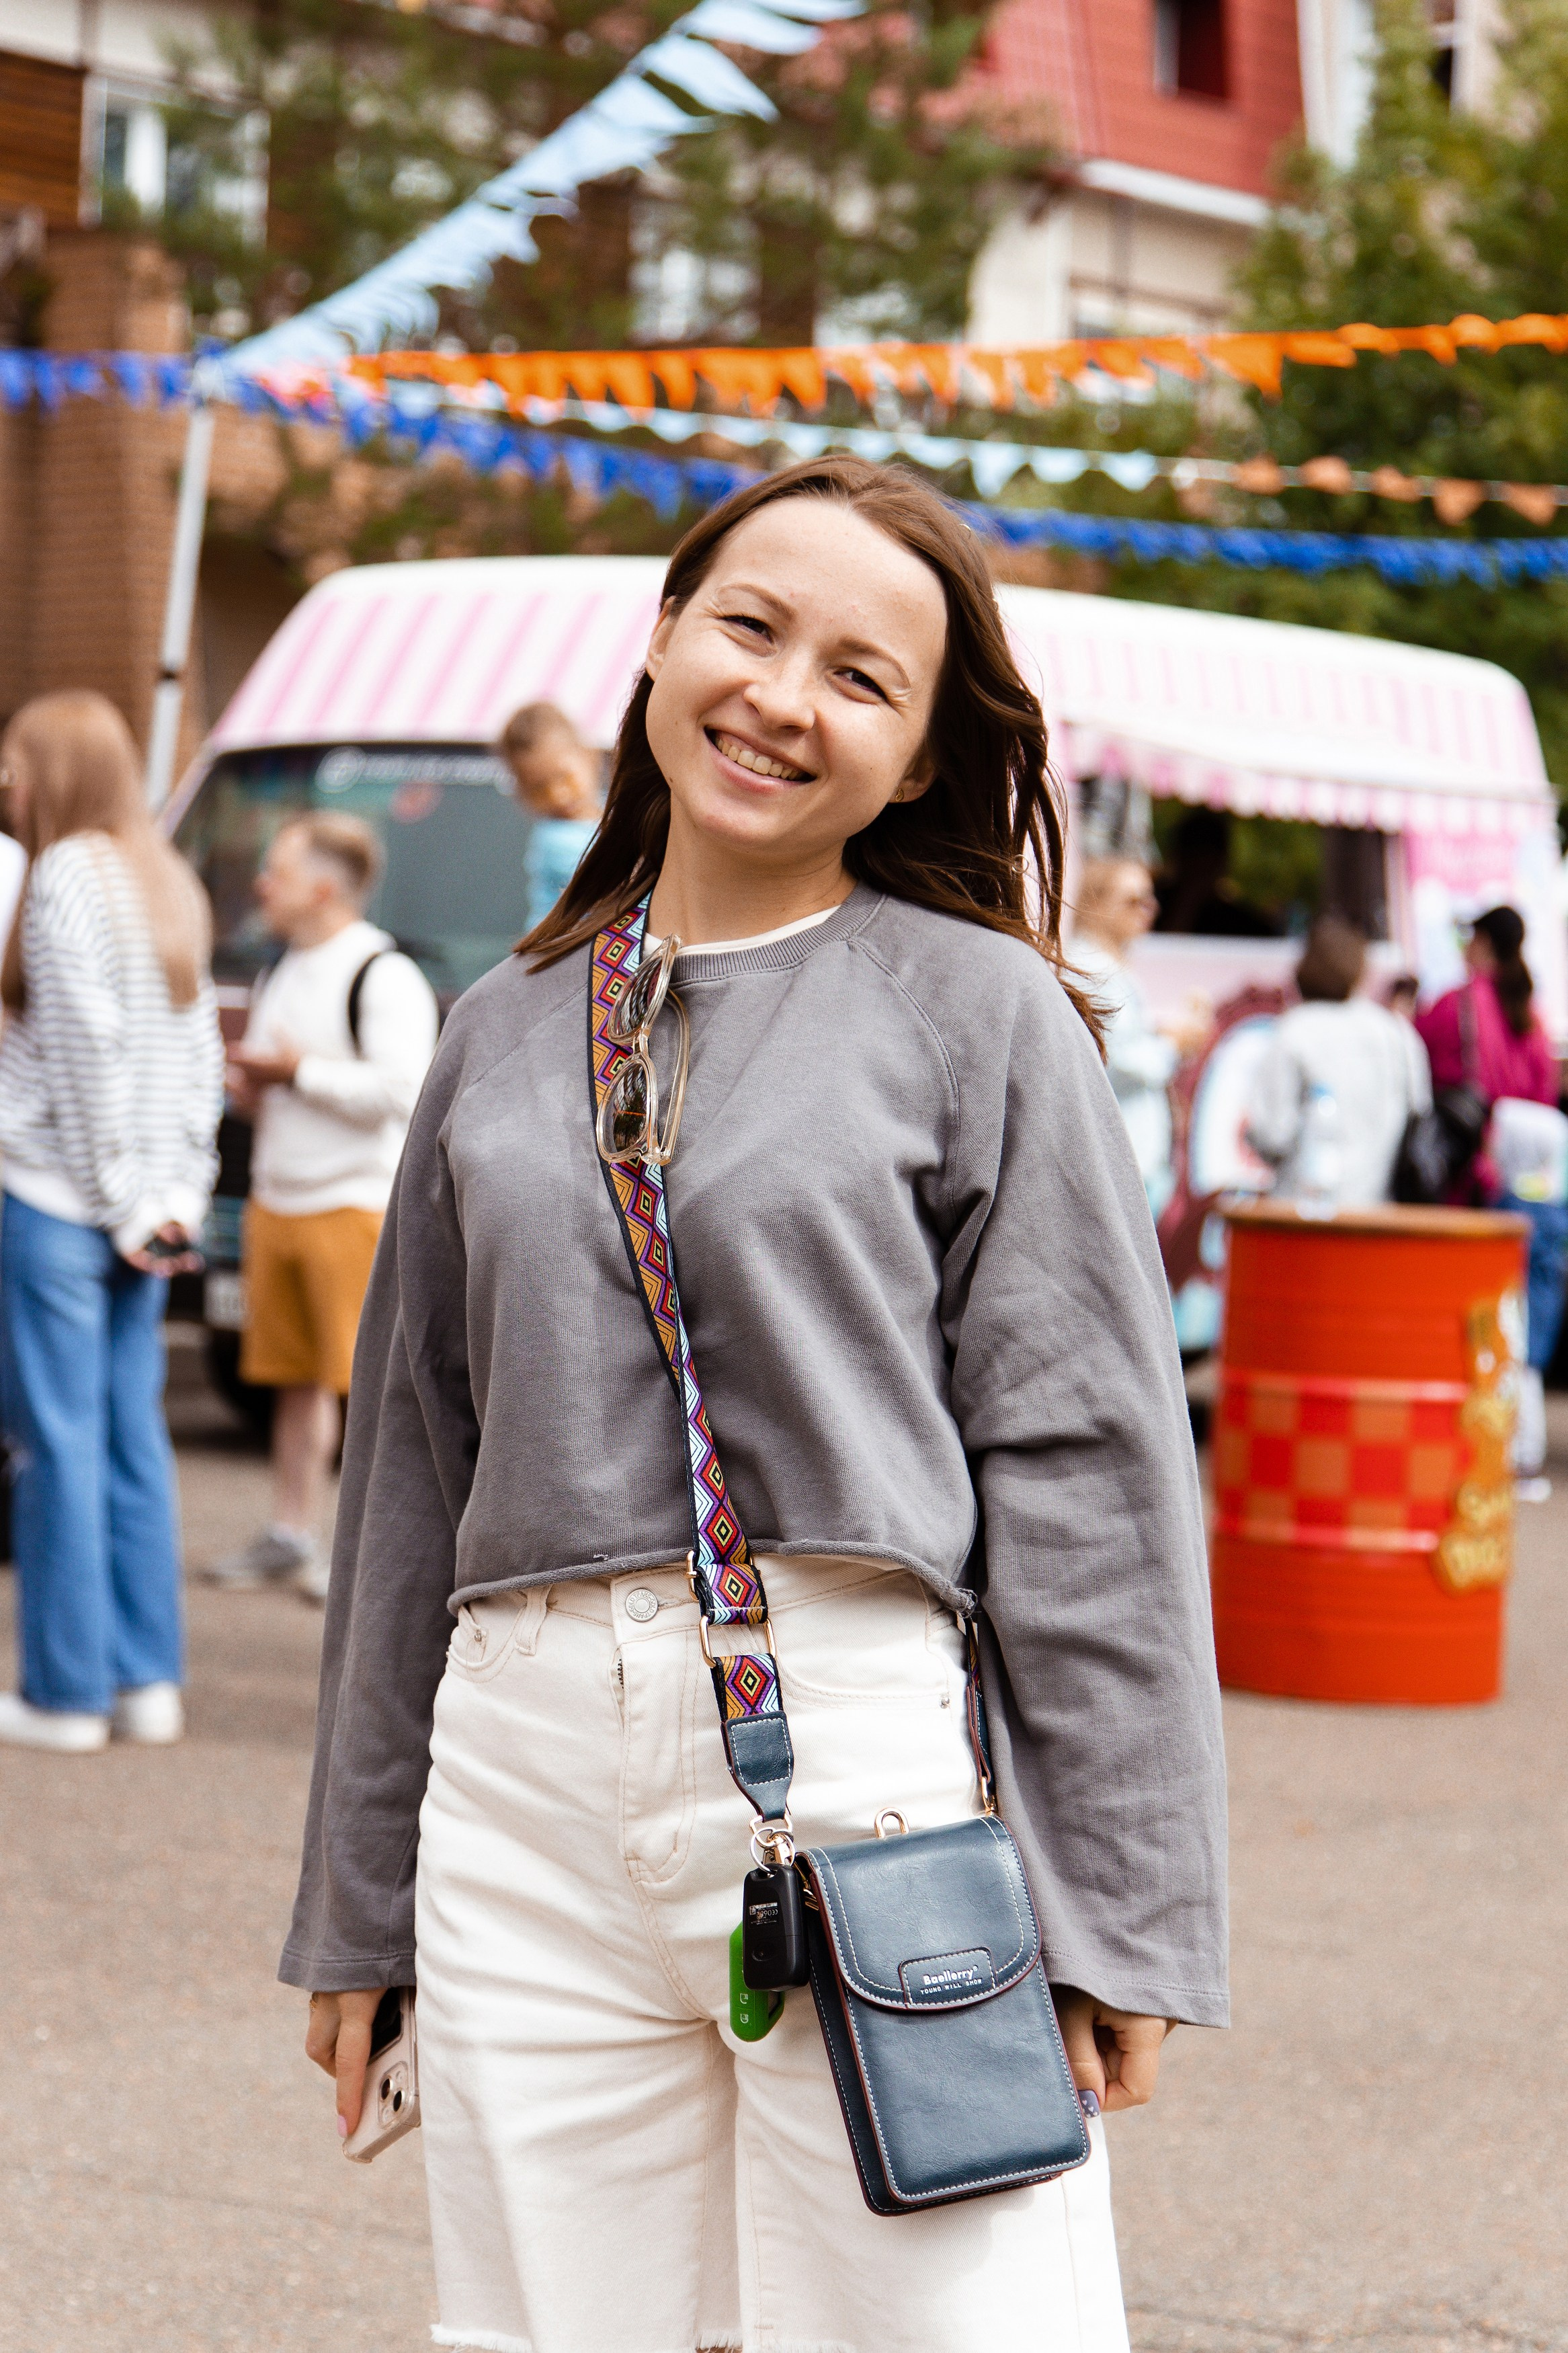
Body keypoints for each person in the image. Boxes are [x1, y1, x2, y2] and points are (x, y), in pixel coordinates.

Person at [289, 458, 1227, 2353]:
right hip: (518, 1780)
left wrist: (1120, 1902)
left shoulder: (980, 1012)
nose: (785, 694)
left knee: (957, 2325)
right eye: (750, 624)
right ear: (657, 642)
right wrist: (356, 1900)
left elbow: (1086, 1475)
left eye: (863, 678)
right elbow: (413, 1477)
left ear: (914, 758)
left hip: (871, 1759)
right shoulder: (498, 1023)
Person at [0, 690, 222, 1754]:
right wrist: (173, 1199)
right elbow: (197, 1057)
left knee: (58, 1443)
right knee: (132, 1442)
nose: (7, 781)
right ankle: (145, 1681)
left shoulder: (61, 877)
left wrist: (124, 1199)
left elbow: (86, 1052)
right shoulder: (165, 876)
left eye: (16, 762)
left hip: (59, 1200)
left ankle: (65, 1694)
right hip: (150, 1207)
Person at [209, 814, 438, 1601]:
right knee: (293, 1383)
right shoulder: (285, 966)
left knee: (368, 1392)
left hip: (352, 1205)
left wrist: (294, 1073)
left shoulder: (382, 972)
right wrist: (251, 1089)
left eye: (274, 871)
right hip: (280, 1202)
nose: (260, 886)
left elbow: (404, 1094)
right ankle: (290, 1533)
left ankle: (360, 1553)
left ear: (322, 886)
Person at [1418, 906, 1565, 1488]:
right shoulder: (1528, 1011)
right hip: (1536, 1192)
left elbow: (1426, 1069)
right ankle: (1522, 1452)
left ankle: (1481, 1449)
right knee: (1524, 1317)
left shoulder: (1456, 1005)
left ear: (1479, 943)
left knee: (1474, 1321)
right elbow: (1544, 1092)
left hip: (1474, 1189)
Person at [1245, 914, 1430, 1209]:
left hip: (1301, 1213)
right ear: (1360, 972)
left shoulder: (1295, 1030)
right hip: (1381, 1214)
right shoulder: (1397, 1033)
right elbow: (1420, 1112)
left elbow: (1272, 1134)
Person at [1069, 854, 1200, 1219]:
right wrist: (1173, 1042)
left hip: (1128, 1159)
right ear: (1096, 903)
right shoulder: (1091, 969)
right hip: (1118, 1161)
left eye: (1150, 898)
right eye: (1133, 900)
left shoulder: (1104, 966)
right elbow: (1119, 1059)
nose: (1149, 909)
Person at [500, 701, 603, 930]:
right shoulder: (553, 841)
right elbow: (618, 876)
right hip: (557, 953)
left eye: (564, 777)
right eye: (539, 788)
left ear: (590, 757)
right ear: (522, 793)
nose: (558, 795)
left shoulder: (615, 811)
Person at [1154, 806, 1278, 936]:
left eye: (1207, 857)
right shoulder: (1151, 906)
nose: (1200, 868)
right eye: (1195, 855)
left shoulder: (1240, 923)